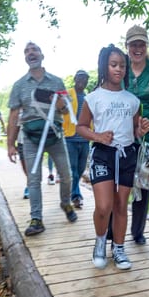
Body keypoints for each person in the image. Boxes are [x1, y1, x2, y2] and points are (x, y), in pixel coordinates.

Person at [76, 45, 149, 270]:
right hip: (103, 154)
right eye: (113, 65)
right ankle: (100, 242)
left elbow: (136, 131)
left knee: (120, 205)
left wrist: (142, 128)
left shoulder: (132, 100)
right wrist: (98, 136)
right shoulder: (94, 98)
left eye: (122, 65)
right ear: (104, 67)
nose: (118, 69)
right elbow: (80, 127)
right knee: (104, 205)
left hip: (127, 155)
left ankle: (118, 248)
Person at [107, 24, 149, 245]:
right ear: (127, 47)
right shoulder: (119, 69)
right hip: (121, 138)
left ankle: (138, 231)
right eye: (133, 44)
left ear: (146, 46)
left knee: (143, 183)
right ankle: (111, 228)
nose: (137, 48)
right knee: (117, 182)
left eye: (141, 44)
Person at [6, 41, 78, 236]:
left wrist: (62, 104)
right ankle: (36, 218)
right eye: (27, 51)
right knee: (34, 178)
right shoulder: (19, 85)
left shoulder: (56, 82)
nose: (31, 53)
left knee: (66, 174)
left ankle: (66, 203)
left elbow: (65, 112)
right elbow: (13, 115)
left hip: (54, 136)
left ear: (41, 55)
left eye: (34, 50)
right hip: (30, 137)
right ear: (25, 57)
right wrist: (10, 144)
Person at [62, 70, 91, 208]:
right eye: (80, 78)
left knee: (80, 169)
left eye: (85, 79)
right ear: (75, 79)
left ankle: (69, 192)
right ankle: (76, 196)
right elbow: (59, 110)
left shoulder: (89, 97)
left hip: (85, 139)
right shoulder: (67, 94)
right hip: (70, 138)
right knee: (72, 169)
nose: (82, 81)